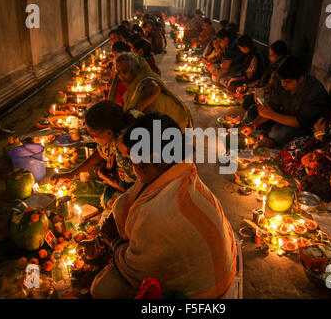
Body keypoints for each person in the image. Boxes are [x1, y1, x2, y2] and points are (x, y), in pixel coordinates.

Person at [82, 114, 237, 299]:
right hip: (220, 266)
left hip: (206, 292)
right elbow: (128, 201)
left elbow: (137, 269)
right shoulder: (180, 169)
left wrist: (114, 244)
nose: (130, 164)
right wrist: (102, 238)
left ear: (156, 160)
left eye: (133, 159)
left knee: (103, 289)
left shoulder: (159, 213)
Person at [51, 101, 136, 209]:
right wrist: (72, 173)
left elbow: (142, 188)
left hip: (138, 190)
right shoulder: (113, 137)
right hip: (122, 183)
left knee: (112, 203)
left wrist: (110, 180)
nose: (91, 138)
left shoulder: (125, 147)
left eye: (93, 135)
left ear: (109, 133)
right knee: (107, 196)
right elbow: (100, 153)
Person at [241, 56, 329, 147]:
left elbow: (301, 123)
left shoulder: (314, 92)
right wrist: (254, 125)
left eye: (288, 82)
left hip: (303, 127)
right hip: (283, 116)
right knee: (252, 111)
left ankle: (266, 136)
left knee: (278, 133)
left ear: (300, 79)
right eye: (282, 81)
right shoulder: (282, 82)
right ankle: (264, 135)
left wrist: (271, 115)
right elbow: (273, 107)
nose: (283, 85)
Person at [115, 52, 193, 131]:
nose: (121, 76)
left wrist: (134, 111)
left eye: (124, 71)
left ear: (136, 69)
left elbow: (154, 88)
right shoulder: (134, 86)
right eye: (118, 72)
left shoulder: (145, 81)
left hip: (178, 127)